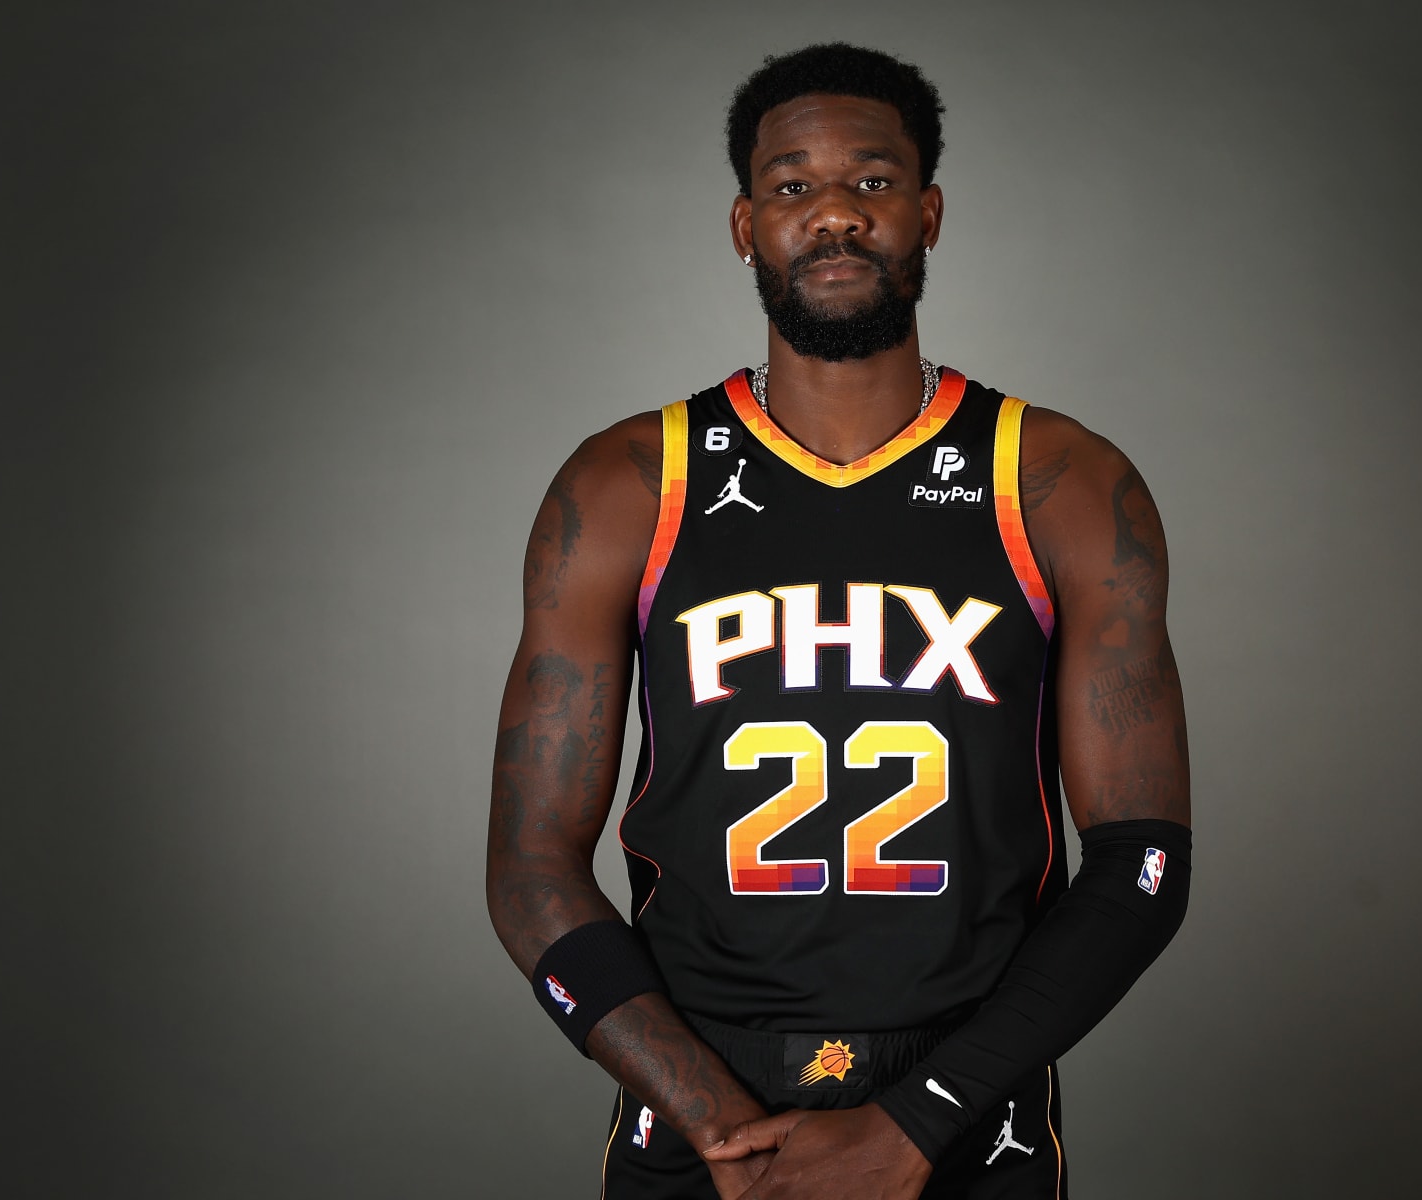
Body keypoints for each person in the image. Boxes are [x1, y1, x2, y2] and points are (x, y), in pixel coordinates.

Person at [486, 43, 1192, 1199]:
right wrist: (718, 1121)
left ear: (927, 212)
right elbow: (529, 862)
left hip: (970, 1095)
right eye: (791, 186)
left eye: (870, 183)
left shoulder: (1058, 480)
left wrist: (915, 1123)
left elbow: (1143, 860)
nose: (834, 217)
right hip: (700, 1099)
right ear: (743, 223)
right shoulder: (625, 484)